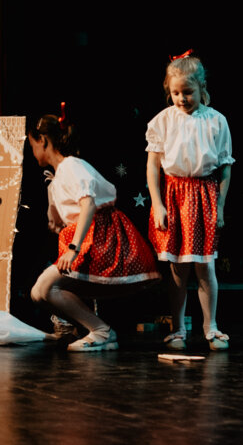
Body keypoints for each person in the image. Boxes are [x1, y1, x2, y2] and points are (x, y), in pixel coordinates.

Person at [28, 107, 161, 352]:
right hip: (82, 237)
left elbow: (88, 204)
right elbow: (60, 220)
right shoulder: (57, 177)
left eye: (32, 144)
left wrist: (73, 248)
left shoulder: (71, 165)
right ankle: (83, 326)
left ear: (43, 141)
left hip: (100, 236)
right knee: (38, 293)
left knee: (46, 287)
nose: (32, 151)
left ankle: (102, 331)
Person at [146, 51, 234, 351]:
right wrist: (158, 204)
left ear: (201, 88)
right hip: (173, 195)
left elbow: (225, 167)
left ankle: (211, 327)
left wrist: (220, 206)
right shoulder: (162, 121)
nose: (181, 99)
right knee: (177, 269)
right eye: (176, 93)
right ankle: (178, 328)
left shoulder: (216, 121)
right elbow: (153, 166)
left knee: (205, 266)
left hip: (204, 194)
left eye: (188, 92)